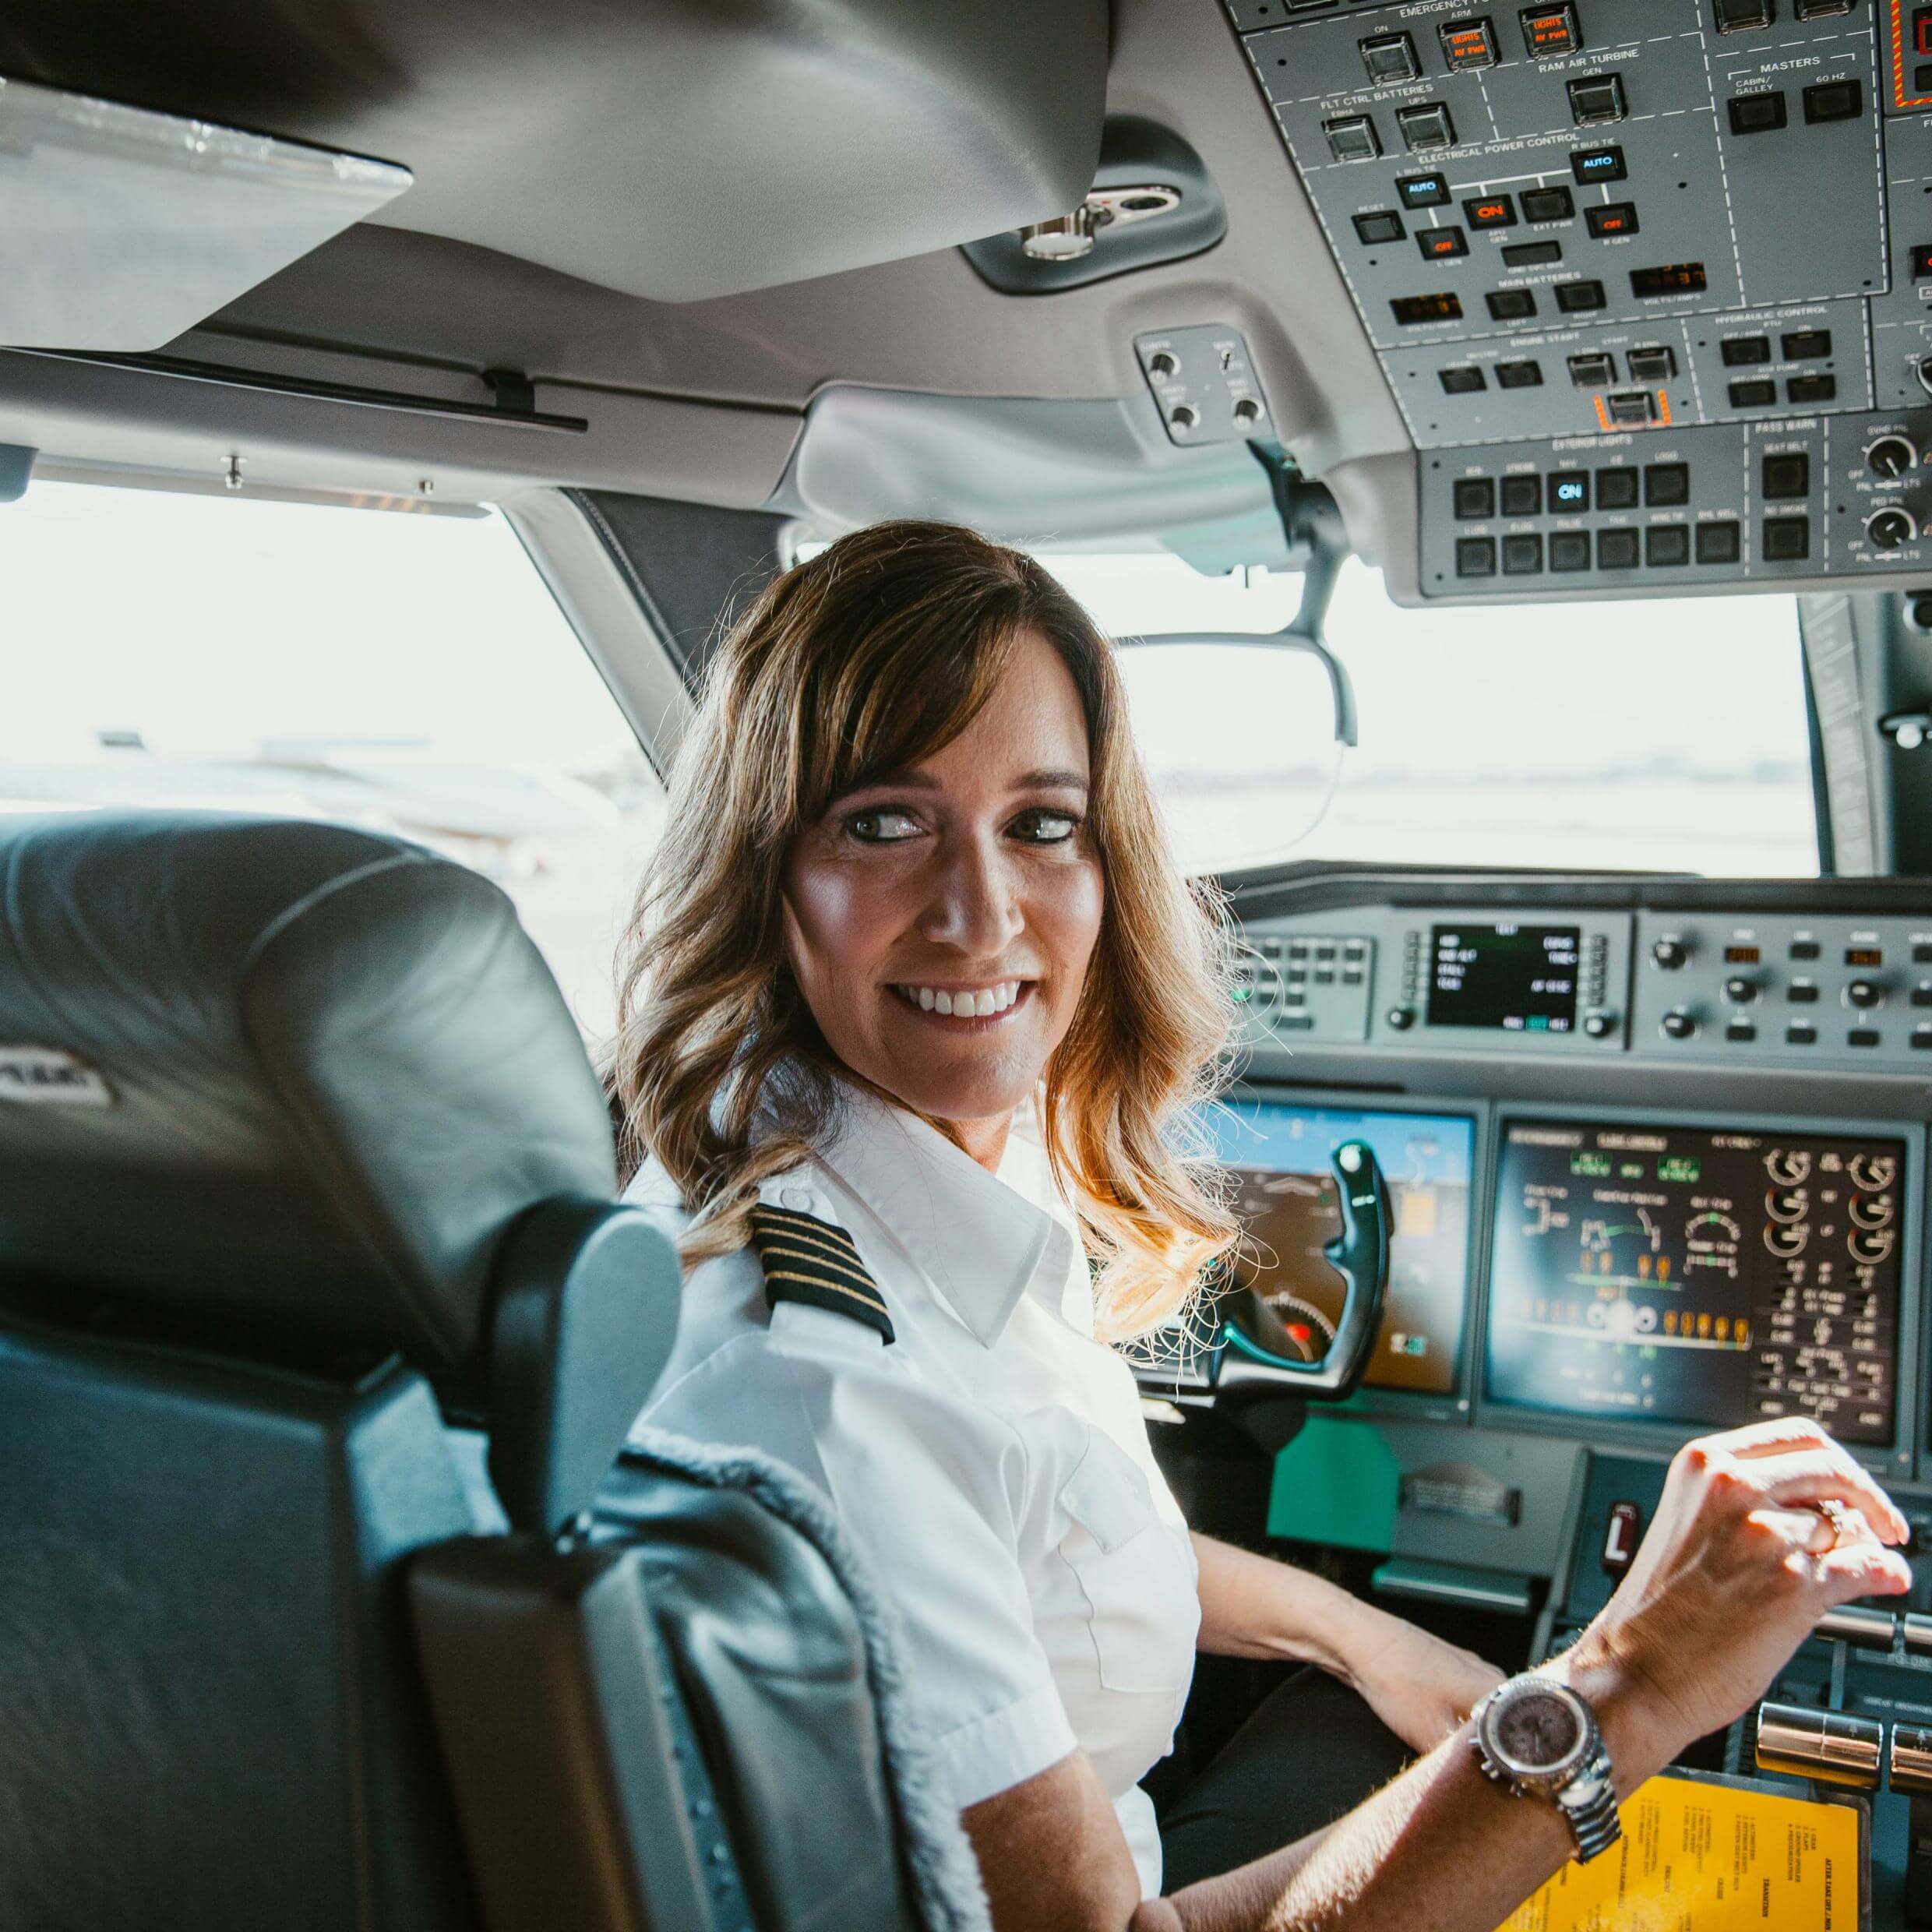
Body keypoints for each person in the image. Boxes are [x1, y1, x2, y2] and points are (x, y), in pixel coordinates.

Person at [610, 520, 1912, 1932]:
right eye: (884, 821)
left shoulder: (820, 1162)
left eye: (1041, 823)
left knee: (1384, 1716)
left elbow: (1047, 1530)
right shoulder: (827, 1387)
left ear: (1108, 862)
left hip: (1115, 1822)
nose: (982, 917)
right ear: (764, 864)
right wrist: (1629, 1687)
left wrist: (1359, 1636)